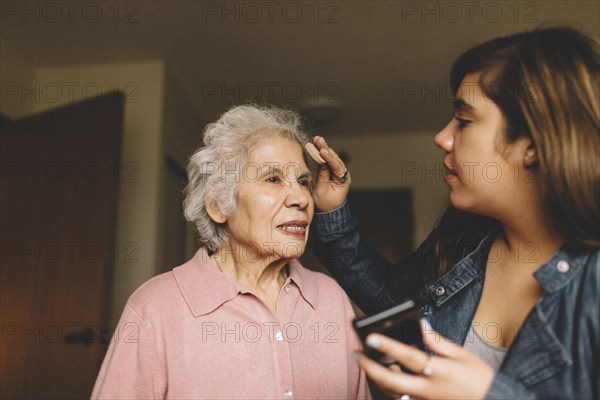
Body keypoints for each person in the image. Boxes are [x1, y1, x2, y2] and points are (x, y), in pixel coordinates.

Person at [308, 27, 599, 399]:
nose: (442, 138)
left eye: (464, 120)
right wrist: (333, 212)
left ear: (532, 144)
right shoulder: (462, 242)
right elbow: (391, 301)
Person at [91, 105, 370, 399]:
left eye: (303, 182)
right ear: (219, 205)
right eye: (273, 179)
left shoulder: (330, 299)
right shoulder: (155, 308)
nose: (301, 198)